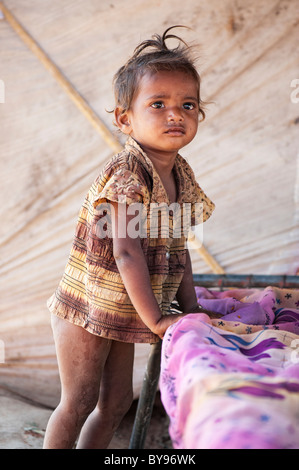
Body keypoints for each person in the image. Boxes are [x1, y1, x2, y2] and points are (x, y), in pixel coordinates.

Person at [43, 25, 216, 449]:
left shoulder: (179, 173)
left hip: (125, 306)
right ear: (125, 118)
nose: (175, 114)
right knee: (78, 401)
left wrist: (191, 309)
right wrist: (158, 319)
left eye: (187, 104)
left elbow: (178, 247)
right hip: (87, 305)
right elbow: (125, 252)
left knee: (118, 401)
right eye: (158, 104)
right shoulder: (127, 175)